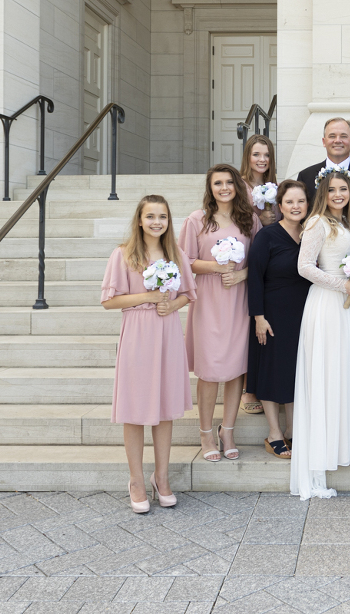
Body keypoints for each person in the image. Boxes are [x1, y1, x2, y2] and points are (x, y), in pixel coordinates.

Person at [101, 195, 197, 513]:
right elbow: (109, 301)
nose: (157, 222)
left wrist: (172, 303)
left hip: (167, 331)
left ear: (169, 221)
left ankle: (162, 476)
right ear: (140, 220)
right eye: (151, 216)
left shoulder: (176, 253)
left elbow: (188, 294)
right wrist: (146, 295)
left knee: (165, 407)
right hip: (138, 334)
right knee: (135, 408)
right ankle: (136, 479)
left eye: (163, 217)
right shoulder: (123, 254)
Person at [291, 168, 350, 499]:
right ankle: (317, 462)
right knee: (324, 375)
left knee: (341, 375)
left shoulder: (347, 223)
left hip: (345, 308)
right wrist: (343, 284)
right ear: (323, 193)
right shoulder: (317, 222)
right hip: (326, 304)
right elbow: (304, 266)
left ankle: (339, 446)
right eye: (333, 189)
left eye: (344, 189)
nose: (339, 194)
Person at [179, 164, 260, 463]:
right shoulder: (196, 220)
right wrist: (216, 267)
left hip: (239, 300)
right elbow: (184, 261)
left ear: (237, 186)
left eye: (229, 182)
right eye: (218, 183)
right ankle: (205, 432)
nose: (224, 188)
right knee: (211, 369)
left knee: (236, 367)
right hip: (209, 300)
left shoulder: (249, 220)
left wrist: (241, 275)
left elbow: (262, 262)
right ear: (210, 188)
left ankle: (228, 430)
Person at [247, 180, 311, 459]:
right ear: (280, 206)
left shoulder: (311, 233)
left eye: (300, 201)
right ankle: (274, 433)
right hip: (272, 314)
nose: (295, 207)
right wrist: (258, 317)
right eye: (289, 202)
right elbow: (254, 277)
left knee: (296, 372)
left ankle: (294, 431)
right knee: (273, 372)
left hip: (304, 314)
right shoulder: (267, 236)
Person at [239, 134, 279, 415]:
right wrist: (258, 218)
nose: (261, 159)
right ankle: (246, 388)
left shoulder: (274, 186)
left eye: (266, 154)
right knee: (246, 324)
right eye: (256, 154)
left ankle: (262, 380)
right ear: (247, 156)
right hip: (245, 255)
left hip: (271, 262)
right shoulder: (240, 185)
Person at [296, 117, 350, 202]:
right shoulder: (305, 177)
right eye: (332, 136)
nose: (337, 140)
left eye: (343, 136)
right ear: (324, 142)